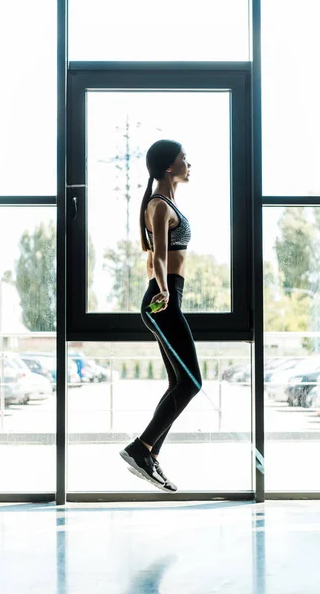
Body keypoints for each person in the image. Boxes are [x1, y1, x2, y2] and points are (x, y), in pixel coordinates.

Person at [120, 139, 202, 492]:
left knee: (179, 383)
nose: (189, 162)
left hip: (169, 297)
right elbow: (158, 257)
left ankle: (148, 453)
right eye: (184, 158)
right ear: (169, 166)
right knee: (192, 382)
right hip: (162, 299)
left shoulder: (168, 203)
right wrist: (164, 290)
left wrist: (169, 291)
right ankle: (141, 449)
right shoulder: (158, 204)